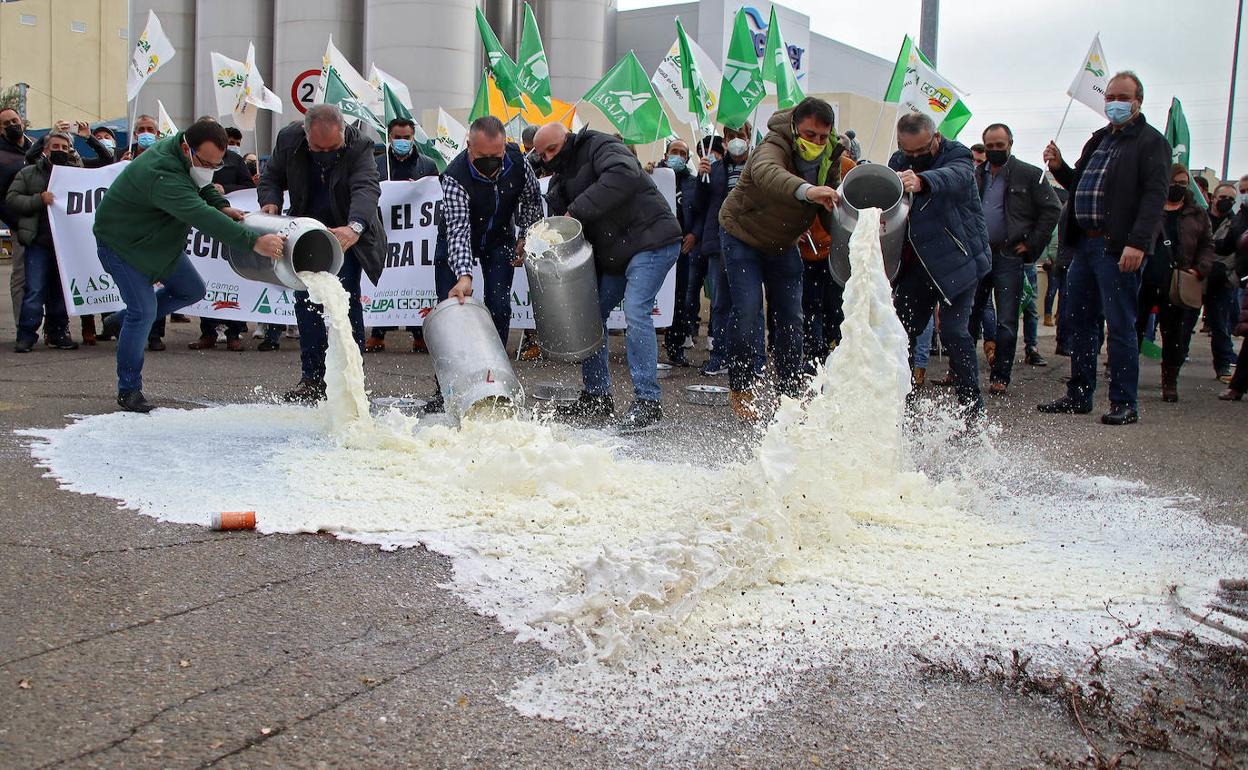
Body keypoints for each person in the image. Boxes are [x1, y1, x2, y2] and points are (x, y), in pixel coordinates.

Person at [92, 119, 286, 412]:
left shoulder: (184, 155)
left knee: (191, 289)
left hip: (159, 245)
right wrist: (253, 242)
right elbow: (200, 215)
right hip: (123, 247)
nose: (210, 168)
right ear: (186, 148)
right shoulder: (162, 174)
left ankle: (121, 321)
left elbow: (202, 186)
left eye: (216, 164)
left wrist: (220, 203)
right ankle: (128, 389)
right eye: (206, 162)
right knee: (143, 312)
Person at [1038, 71, 1169, 426]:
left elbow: (1154, 197)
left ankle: (1124, 402)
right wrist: (1059, 166)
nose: (1114, 102)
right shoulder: (1099, 140)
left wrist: (1138, 244)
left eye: (1122, 97)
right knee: (1079, 321)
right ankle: (1079, 393)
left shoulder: (1150, 142)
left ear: (1138, 101)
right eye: (1110, 95)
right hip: (1084, 246)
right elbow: (1078, 184)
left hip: (1117, 249)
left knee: (1121, 325)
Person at [533, 121, 682, 432]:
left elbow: (623, 174)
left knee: (637, 311)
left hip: (652, 240)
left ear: (567, 138)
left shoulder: (599, 145)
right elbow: (562, 227)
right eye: (542, 153)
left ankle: (648, 401)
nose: (548, 156)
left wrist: (576, 212)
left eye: (552, 149)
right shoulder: (559, 181)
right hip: (617, 254)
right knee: (592, 317)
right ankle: (597, 397)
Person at [717, 97, 843, 420]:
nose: (815, 143)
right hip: (742, 235)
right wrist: (808, 191)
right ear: (794, 127)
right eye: (809, 134)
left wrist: (854, 218)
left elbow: (831, 215)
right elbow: (767, 174)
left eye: (822, 137)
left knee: (791, 319)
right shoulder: (773, 145)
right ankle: (742, 386)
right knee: (747, 312)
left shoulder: (831, 159)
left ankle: (789, 392)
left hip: (783, 242)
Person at [259, 105, 385, 403]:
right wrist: (270, 203)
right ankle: (312, 378)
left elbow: (366, 189)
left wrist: (353, 228)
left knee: (346, 303)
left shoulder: (360, 145)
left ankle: (351, 377)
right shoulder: (288, 140)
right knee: (307, 305)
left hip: (343, 235)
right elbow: (271, 178)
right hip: (304, 233)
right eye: (318, 148)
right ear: (305, 134)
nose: (325, 153)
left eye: (333, 148)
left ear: (344, 133)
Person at [420, 116, 543, 413]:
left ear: (504, 147)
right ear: (469, 147)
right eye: (482, 158)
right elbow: (459, 233)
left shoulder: (517, 159)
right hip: (455, 240)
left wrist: (526, 235)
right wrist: (464, 276)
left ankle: (494, 381)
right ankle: (448, 388)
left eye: (496, 157)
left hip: (499, 239)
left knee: (499, 306)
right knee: (452, 312)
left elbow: (531, 199)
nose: (491, 163)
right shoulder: (453, 176)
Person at [888, 112, 992, 417]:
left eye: (922, 151)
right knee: (901, 333)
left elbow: (956, 177)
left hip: (960, 262)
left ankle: (971, 408)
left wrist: (922, 180)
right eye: (910, 153)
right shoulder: (897, 161)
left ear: (936, 137)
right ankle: (899, 403)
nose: (916, 157)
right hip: (918, 265)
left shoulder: (957, 154)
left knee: (954, 333)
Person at [972, 123, 1062, 393]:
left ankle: (1000, 375)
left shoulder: (1029, 174)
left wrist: (1031, 245)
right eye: (991, 146)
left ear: (1010, 143)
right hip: (979, 255)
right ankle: (960, 371)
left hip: (1008, 255)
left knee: (1007, 321)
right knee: (969, 317)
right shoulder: (976, 174)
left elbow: (1051, 209)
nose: (995, 150)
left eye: (1001, 145)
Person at [1133, 164, 1213, 402]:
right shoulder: (1150, 207)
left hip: (1177, 282)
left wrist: (1199, 270)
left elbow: (1207, 245)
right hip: (1145, 278)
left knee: (1173, 334)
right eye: (1174, 182)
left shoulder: (1197, 213)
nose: (1178, 187)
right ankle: (1124, 372)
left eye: (1183, 183)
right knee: (1134, 328)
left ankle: (1169, 383)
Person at [691, 124, 764, 379]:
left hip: (752, 242)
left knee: (752, 304)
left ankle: (756, 360)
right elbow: (699, 205)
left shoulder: (759, 166)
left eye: (740, 136)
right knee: (721, 303)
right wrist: (702, 178)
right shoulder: (717, 169)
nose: (735, 141)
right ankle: (719, 356)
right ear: (724, 140)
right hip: (720, 244)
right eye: (731, 137)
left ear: (749, 138)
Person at [366, 117, 440, 354]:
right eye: (397, 138)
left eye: (406, 138)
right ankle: (378, 334)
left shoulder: (427, 165)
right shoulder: (377, 164)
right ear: (389, 137)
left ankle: (419, 334)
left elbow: (433, 193)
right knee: (384, 278)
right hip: (384, 232)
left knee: (414, 278)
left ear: (413, 137)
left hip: (415, 235)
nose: (402, 142)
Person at [186, 123, 258, 353]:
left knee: (234, 279)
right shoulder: (190, 163)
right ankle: (207, 332)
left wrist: (223, 189)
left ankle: (234, 333)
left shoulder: (236, 162)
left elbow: (248, 186)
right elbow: (198, 186)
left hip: (231, 219)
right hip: (208, 228)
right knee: (207, 278)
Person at [6, 131, 81, 352]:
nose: (60, 151)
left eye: (64, 148)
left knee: (60, 293)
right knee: (35, 290)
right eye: (55, 147)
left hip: (64, 245)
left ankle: (58, 333)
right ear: (45, 150)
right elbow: (12, 199)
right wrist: (39, 199)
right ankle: (26, 335)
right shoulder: (28, 173)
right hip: (38, 242)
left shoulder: (74, 174)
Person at [653, 138, 698, 367]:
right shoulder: (655, 176)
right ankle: (647, 346)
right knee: (652, 297)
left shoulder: (693, 182)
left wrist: (694, 234)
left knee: (680, 298)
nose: (677, 156)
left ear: (687, 158)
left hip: (681, 248)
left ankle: (675, 346)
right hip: (655, 245)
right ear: (665, 154)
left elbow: (702, 211)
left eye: (682, 153)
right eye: (674, 152)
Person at [1, 107, 34, 328]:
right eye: (7, 123)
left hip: (46, 226)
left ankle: (54, 329)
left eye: (15, 120)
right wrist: (17, 223)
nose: (14, 125)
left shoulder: (37, 147)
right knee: (21, 277)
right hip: (21, 226)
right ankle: (24, 327)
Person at [1207, 182, 1240, 382]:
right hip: (1197, 276)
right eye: (1223, 197)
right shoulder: (1200, 217)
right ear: (1213, 198)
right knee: (1183, 324)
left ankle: (1223, 365)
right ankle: (1174, 365)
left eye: (1231, 199)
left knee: (1220, 326)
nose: (1226, 202)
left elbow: (1234, 252)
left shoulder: (1235, 223)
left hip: (1222, 279)